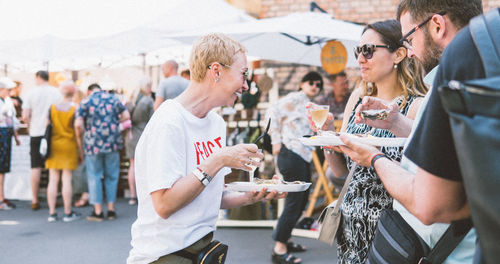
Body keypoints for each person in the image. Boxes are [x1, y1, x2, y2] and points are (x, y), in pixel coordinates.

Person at [336, 1, 482, 262]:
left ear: (437, 26)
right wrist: (396, 122)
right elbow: (450, 146)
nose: (410, 51)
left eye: (409, 38)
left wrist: (374, 158)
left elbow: (427, 205)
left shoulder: (449, 88)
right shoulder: (479, 74)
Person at [127, 33, 285, 264]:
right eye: (243, 74)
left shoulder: (216, 123)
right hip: (163, 256)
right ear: (216, 71)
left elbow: (210, 195)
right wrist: (217, 160)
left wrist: (249, 197)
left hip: (200, 252)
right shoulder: (169, 121)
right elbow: (163, 205)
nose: (245, 85)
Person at [319, 20, 427, 263]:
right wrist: (327, 137)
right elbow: (341, 172)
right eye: (359, 51)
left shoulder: (416, 107)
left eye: (368, 50)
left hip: (390, 232)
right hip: (350, 229)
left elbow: (423, 180)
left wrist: (376, 158)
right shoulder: (358, 99)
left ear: (398, 54)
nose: (360, 59)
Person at [266, 71, 324, 264]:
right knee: (295, 201)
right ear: (302, 83)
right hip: (290, 153)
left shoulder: (310, 104)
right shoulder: (295, 98)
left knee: (302, 200)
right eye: (311, 82)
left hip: (302, 155)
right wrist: (275, 141)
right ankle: (279, 249)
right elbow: (272, 111)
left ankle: (286, 239)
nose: (315, 86)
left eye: (318, 84)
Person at [75, 83, 130, 222]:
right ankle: (111, 209)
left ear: (89, 92)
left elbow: (78, 124)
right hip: (112, 142)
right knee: (112, 176)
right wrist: (113, 122)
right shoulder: (113, 99)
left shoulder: (86, 101)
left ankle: (98, 211)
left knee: (94, 176)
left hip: (93, 145)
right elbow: (126, 115)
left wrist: (85, 131)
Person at [22, 70, 62, 210]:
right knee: (53, 168)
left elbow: (25, 115)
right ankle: (54, 197)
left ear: (38, 77)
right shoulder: (56, 92)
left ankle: (34, 199)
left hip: (35, 132)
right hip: (52, 133)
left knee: (35, 166)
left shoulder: (30, 93)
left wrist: (28, 127)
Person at [45, 81, 81, 222]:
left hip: (54, 145)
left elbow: (47, 126)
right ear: (73, 93)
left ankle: (52, 213)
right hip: (69, 145)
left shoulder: (52, 107)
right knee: (67, 179)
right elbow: (78, 128)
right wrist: (81, 149)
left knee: (53, 179)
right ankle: (67, 212)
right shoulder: (75, 108)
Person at [124, 77, 154, 205]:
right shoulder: (148, 101)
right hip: (143, 135)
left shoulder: (131, 100)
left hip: (130, 136)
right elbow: (153, 120)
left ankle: (132, 196)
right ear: (146, 86)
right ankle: (145, 194)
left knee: (132, 165)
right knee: (146, 166)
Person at [0, 77, 21, 210]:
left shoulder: (7, 102)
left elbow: (12, 120)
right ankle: (1, 198)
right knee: (1, 168)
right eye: (7, 90)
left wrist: (15, 135)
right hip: (2, 134)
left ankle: (2, 196)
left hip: (5, 134)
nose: (9, 92)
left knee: (3, 168)